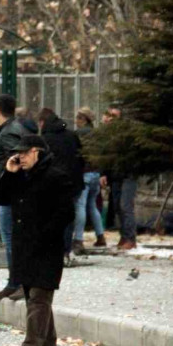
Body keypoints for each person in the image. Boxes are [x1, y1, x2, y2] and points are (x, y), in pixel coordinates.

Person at [0, 135, 74, 346]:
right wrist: (9, 173)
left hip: (47, 247)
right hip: (25, 247)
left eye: (25, 153)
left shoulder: (56, 176)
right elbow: (0, 198)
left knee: (39, 296)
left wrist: (46, 235)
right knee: (34, 296)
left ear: (37, 152)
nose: (20, 157)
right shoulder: (21, 176)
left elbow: (66, 213)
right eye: (18, 153)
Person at [0, 94, 36, 301]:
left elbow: (16, 160)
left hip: (11, 191)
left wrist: (6, 175)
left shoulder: (9, 132)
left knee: (11, 239)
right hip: (14, 191)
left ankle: (17, 282)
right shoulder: (18, 128)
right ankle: (14, 282)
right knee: (12, 238)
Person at [37, 108, 84, 262]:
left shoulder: (44, 139)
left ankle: (53, 251)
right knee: (68, 217)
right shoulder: (72, 135)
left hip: (53, 184)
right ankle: (66, 250)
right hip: (73, 183)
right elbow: (81, 158)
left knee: (51, 218)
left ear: (42, 122)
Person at [100, 107, 137, 250]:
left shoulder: (126, 135)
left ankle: (130, 238)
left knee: (125, 205)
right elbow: (104, 155)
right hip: (115, 175)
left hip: (128, 174)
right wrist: (103, 173)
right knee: (117, 207)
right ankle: (124, 235)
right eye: (107, 115)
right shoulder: (106, 135)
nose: (109, 119)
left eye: (113, 116)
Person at [72, 107, 106, 250]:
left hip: (84, 174)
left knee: (80, 206)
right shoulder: (98, 134)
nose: (76, 121)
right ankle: (100, 236)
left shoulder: (78, 134)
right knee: (92, 206)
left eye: (77, 118)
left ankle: (78, 239)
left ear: (83, 119)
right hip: (96, 174)